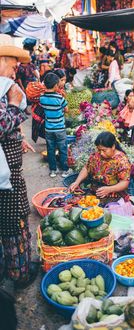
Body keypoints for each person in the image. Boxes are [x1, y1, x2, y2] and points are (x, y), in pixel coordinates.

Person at [0, 34, 39, 288]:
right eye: (13, 67)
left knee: (11, 222)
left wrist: (17, 136)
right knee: (14, 223)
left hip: (8, 172)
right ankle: (20, 274)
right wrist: (14, 104)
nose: (15, 74)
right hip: (7, 179)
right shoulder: (6, 92)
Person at [69, 131, 132, 209]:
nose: (101, 153)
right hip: (94, 193)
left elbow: (125, 182)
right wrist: (77, 182)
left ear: (113, 146)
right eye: (99, 150)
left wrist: (109, 189)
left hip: (114, 196)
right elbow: (86, 168)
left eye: (104, 150)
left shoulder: (122, 161)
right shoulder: (96, 156)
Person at [39, 72, 70, 178]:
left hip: (48, 129)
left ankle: (53, 170)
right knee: (62, 149)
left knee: (50, 149)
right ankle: (65, 170)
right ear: (56, 86)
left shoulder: (42, 98)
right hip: (60, 128)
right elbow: (66, 110)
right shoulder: (59, 98)